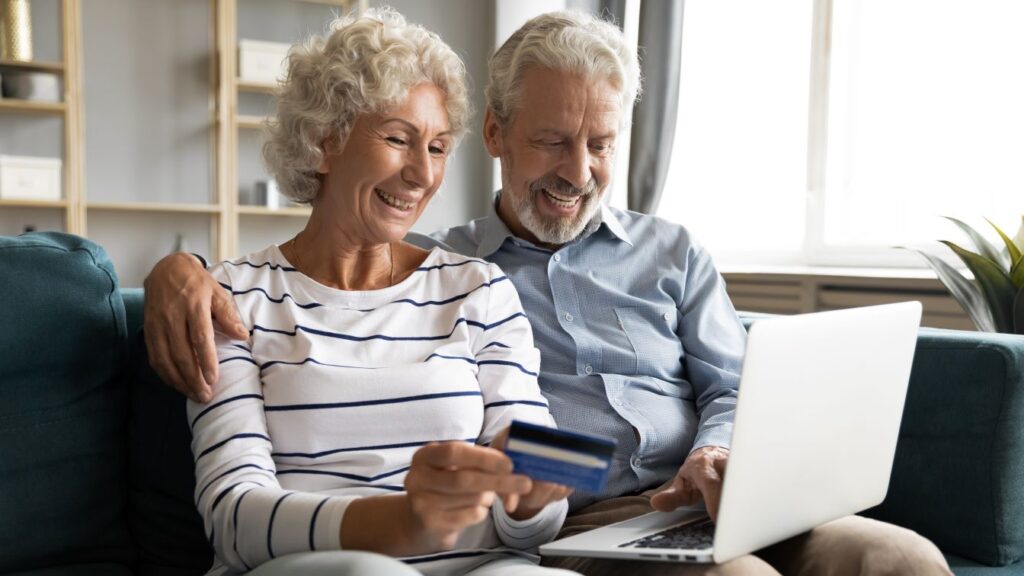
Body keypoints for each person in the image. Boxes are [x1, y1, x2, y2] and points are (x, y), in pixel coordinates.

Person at [146, 10, 953, 576]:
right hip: (600, 523)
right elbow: (242, 500)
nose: (577, 171)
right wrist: (172, 270)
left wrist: (707, 456)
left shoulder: (510, 280)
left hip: (715, 497)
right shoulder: (434, 266)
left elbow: (717, 391)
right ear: (497, 137)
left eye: (600, 144)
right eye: (552, 142)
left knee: (900, 559)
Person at [183, 9, 578, 576]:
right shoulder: (234, 298)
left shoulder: (478, 290)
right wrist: (403, 523)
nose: (422, 174)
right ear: (324, 142)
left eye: (438, 147)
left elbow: (535, 528)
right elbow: (233, 516)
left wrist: (537, 493)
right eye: (398, 139)